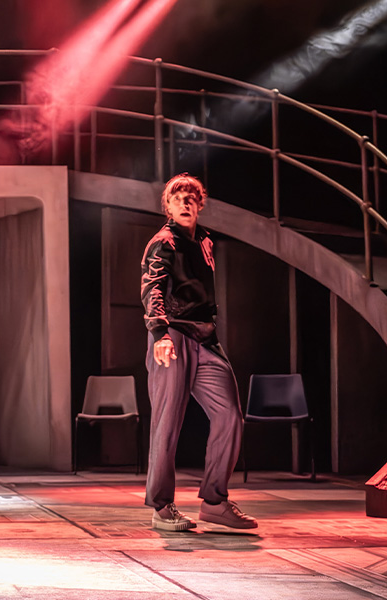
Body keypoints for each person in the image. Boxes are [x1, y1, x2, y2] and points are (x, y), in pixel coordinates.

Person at [140, 173, 257, 532]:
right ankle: (162, 507)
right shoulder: (163, 242)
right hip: (172, 337)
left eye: (191, 197)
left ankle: (215, 501)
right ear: (168, 207)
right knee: (167, 423)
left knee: (230, 415)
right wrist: (160, 333)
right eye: (178, 198)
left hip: (205, 339)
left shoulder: (205, 241)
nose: (185, 202)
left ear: (200, 204)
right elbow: (152, 287)